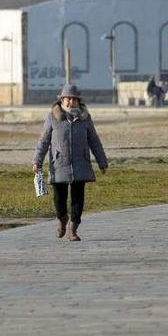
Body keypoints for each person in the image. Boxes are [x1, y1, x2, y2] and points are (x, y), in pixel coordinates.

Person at [33, 84, 108, 241]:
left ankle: (72, 229)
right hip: (59, 164)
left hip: (81, 163)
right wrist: (37, 161)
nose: (71, 102)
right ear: (61, 100)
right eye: (68, 99)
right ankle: (62, 219)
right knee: (59, 199)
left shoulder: (85, 118)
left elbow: (94, 140)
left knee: (78, 199)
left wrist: (102, 160)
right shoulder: (52, 117)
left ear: (78, 101)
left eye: (74, 99)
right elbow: (44, 141)